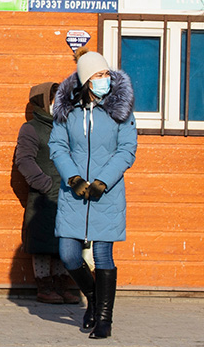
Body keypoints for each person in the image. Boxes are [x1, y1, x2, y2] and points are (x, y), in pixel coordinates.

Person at [50, 49, 136, 340]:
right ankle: (95, 299)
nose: (105, 79)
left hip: (106, 194)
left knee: (102, 254)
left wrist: (103, 180)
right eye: (99, 75)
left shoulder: (120, 111)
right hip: (73, 193)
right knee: (69, 254)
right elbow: (58, 147)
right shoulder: (67, 111)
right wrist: (72, 177)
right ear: (86, 80)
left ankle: (103, 319)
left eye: (106, 74)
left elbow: (127, 149)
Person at [13, 81, 79, 305]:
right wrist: (44, 184)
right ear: (43, 101)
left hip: (68, 195)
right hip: (44, 196)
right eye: (54, 99)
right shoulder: (31, 128)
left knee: (65, 243)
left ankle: (63, 285)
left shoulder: (68, 127)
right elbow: (24, 159)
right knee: (42, 243)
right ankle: (45, 286)